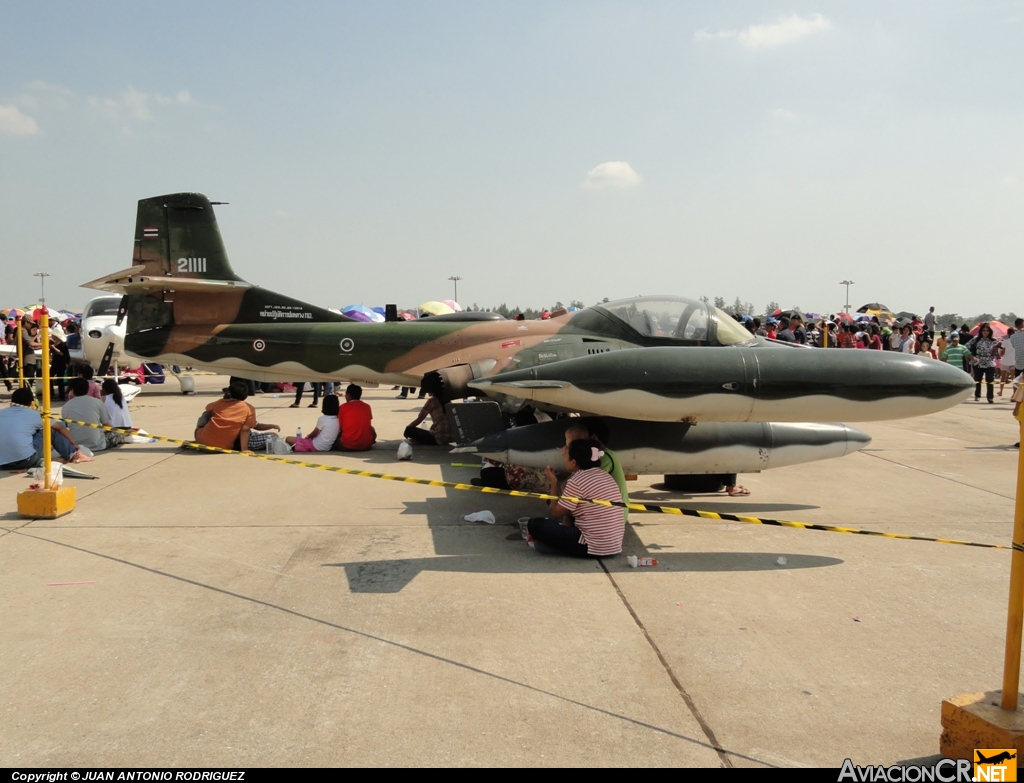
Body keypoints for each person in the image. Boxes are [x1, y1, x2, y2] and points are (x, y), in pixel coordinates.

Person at [524, 439, 625, 558]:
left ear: (573, 462)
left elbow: (556, 512)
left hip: (591, 546)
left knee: (535, 524)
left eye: (565, 455)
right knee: (563, 511)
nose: (563, 456)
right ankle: (556, 545)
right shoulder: (605, 475)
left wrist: (553, 483)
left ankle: (555, 547)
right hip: (614, 546)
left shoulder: (577, 481)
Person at [0, 387, 88, 469]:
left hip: (2, 463)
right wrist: (75, 445)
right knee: (49, 430)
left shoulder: (1, 413)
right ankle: (73, 455)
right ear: (31, 403)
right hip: (24, 461)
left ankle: (47, 460)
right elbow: (61, 428)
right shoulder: (35, 415)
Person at [194, 381, 276, 452]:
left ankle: (205, 434)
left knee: (207, 414)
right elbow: (245, 430)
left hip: (202, 441)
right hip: (223, 446)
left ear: (228, 393)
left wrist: (223, 400)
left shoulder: (220, 403)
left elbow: (208, 408)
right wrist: (244, 449)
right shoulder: (248, 408)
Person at [61, 377, 124, 452]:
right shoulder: (97, 402)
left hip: (76, 445)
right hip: (98, 445)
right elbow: (106, 424)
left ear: (72, 390)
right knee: (119, 434)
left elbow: (67, 427)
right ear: (87, 389)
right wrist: (120, 432)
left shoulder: (65, 407)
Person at [966, 323, 1000, 403]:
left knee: (990, 379)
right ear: (981, 331)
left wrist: (996, 351)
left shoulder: (994, 340)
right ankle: (977, 395)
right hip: (978, 361)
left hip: (989, 362)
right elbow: (966, 347)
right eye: (984, 330)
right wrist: (971, 356)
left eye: (987, 331)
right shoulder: (975, 339)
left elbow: (998, 355)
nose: (985, 332)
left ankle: (990, 397)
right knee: (978, 379)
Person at [336, 384, 376, 450]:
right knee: (372, 429)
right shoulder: (367, 406)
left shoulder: (343, 407)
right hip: (366, 445)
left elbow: (341, 427)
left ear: (348, 395)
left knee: (334, 439)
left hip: (347, 445)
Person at [999, 327, 1016, 397]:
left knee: (1003, 377)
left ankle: (1001, 391)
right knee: (1014, 379)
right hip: (1014, 361)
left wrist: (1000, 353)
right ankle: (1014, 393)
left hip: (1005, 361)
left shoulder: (1005, 342)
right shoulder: (1016, 342)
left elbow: (1002, 353)